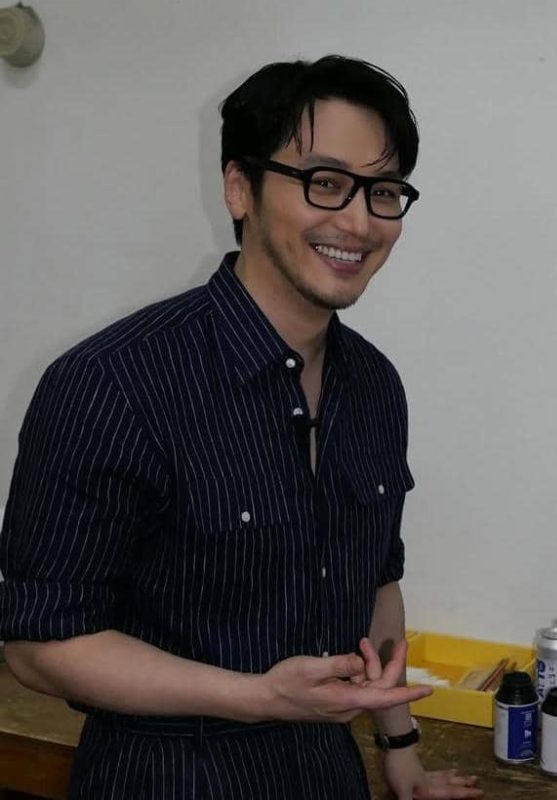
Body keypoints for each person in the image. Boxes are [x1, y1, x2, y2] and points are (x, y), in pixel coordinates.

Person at [0, 56, 482, 800]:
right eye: (325, 182)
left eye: (383, 192)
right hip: (165, 779)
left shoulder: (375, 385)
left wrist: (399, 746)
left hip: (327, 775)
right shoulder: (112, 381)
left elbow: (377, 583)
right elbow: (38, 646)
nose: (359, 221)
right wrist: (257, 696)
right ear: (239, 187)